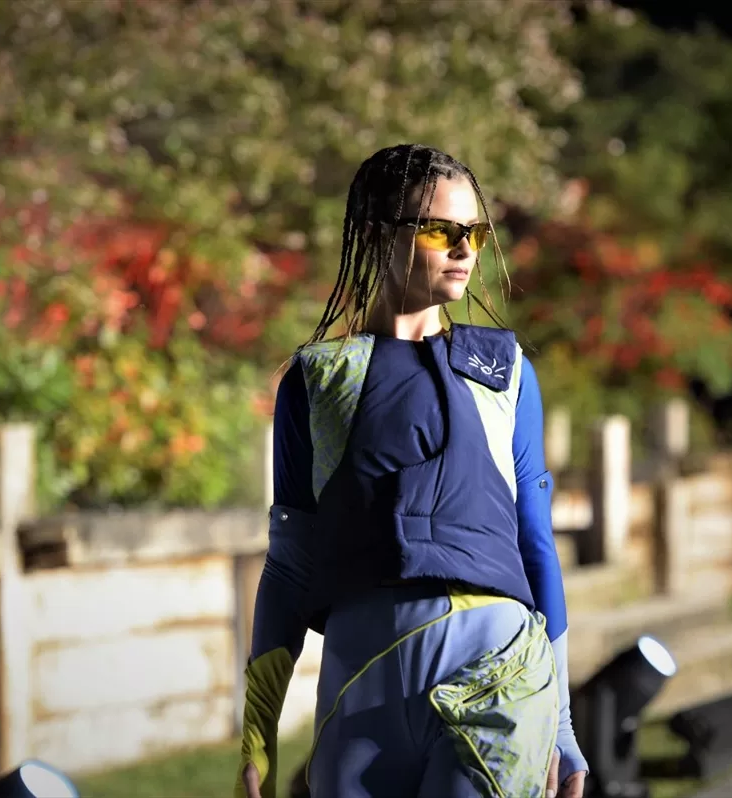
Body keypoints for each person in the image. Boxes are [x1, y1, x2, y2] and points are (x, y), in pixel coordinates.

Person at [236, 144, 588, 798]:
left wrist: (562, 728)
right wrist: (257, 736)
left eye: (474, 232)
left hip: (498, 679)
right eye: (439, 230)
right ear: (378, 235)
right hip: (361, 684)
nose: (464, 249)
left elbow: (535, 543)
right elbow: (288, 565)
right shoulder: (317, 380)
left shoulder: (507, 372)